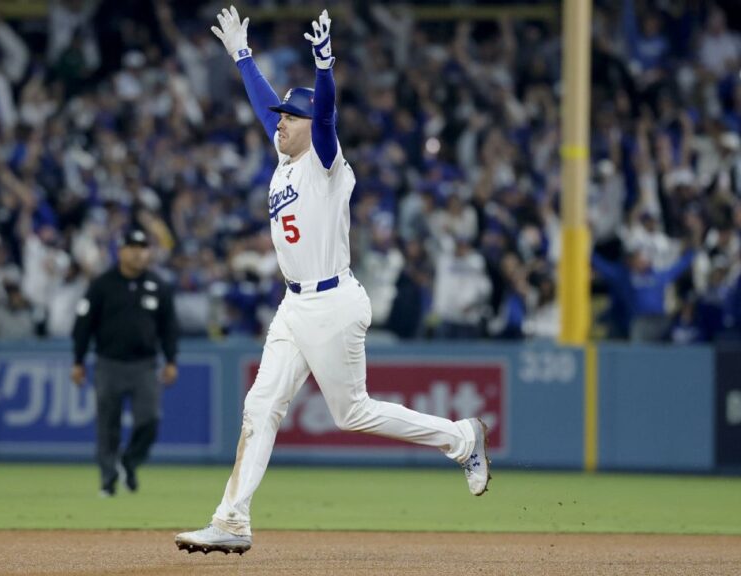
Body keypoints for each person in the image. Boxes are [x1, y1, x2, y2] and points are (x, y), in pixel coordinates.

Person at [175, 7, 491, 556]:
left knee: (353, 413)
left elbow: (323, 118)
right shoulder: (283, 160)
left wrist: (324, 65)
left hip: (333, 301)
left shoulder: (326, 162)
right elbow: (265, 107)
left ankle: (460, 437)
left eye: (288, 118)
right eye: (279, 118)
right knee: (260, 407)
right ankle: (232, 520)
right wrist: (242, 58)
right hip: (293, 306)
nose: (279, 123)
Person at [71, 228, 179, 497]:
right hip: (109, 363)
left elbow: (169, 328)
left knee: (150, 420)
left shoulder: (158, 285)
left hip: (144, 365)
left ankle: (129, 461)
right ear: (120, 252)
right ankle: (108, 480)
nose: (138, 252)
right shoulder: (101, 285)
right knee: (108, 426)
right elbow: (83, 326)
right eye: (131, 246)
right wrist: (78, 360)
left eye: (142, 247)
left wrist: (171, 360)